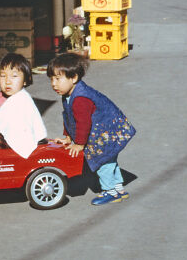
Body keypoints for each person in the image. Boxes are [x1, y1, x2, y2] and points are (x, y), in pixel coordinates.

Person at [47, 53, 136, 205]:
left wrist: (80, 144)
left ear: (73, 78)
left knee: (102, 161)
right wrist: (68, 137)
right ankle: (118, 188)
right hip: (110, 131)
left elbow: (83, 123)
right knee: (110, 160)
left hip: (107, 132)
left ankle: (110, 192)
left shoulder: (81, 98)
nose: (53, 84)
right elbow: (68, 117)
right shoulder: (69, 95)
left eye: (57, 78)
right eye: (51, 79)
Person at [0, 53, 47, 159]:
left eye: (14, 76)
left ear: (25, 80)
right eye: (3, 76)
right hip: (4, 137)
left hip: (17, 144)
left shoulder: (22, 99)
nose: (7, 81)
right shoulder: (0, 95)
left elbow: (9, 120)